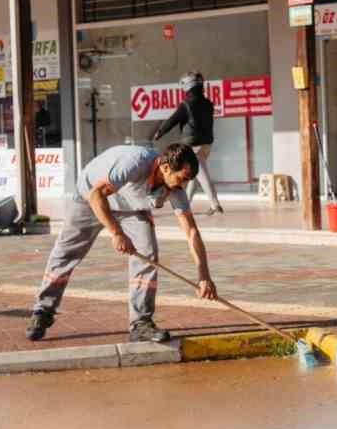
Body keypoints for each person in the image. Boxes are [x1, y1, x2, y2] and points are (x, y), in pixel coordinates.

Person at [27, 142, 218, 344]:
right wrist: (116, 233)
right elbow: (96, 195)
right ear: (165, 167)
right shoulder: (134, 163)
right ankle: (42, 311)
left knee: (148, 254)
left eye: (187, 181)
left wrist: (204, 275)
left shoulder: (175, 187)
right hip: (90, 198)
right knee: (66, 253)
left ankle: (140, 323)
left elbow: (191, 231)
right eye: (182, 179)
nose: (184, 186)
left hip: (131, 208)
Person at [150, 72, 222, 215]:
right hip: (207, 144)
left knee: (202, 176)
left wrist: (159, 132)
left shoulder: (187, 104)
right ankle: (187, 203)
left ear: (187, 86)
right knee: (194, 174)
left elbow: (172, 120)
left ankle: (214, 203)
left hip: (193, 145)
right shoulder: (208, 103)